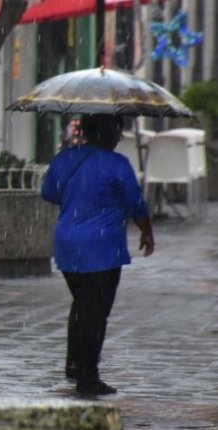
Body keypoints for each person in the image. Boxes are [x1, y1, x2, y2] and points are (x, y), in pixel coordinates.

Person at [41, 113, 155, 396]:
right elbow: (135, 202)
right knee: (95, 312)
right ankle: (87, 377)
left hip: (68, 245)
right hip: (102, 249)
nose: (119, 137)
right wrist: (146, 230)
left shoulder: (64, 159)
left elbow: (49, 192)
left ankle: (75, 364)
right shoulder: (117, 164)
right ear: (108, 133)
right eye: (118, 131)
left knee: (82, 304)